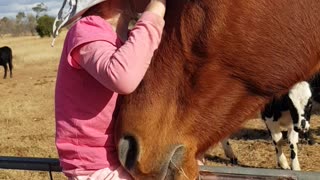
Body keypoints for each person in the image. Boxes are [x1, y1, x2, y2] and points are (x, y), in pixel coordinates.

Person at [52, 0, 166, 179]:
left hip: (126, 157)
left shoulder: (129, 40)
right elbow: (122, 77)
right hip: (94, 165)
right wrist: (155, 10)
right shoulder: (86, 28)